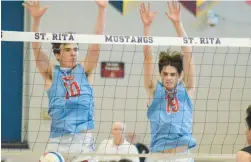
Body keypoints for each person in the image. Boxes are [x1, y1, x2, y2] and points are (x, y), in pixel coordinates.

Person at [22, 0, 108, 160]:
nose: (73, 53)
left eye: (75, 49)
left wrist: (102, 9)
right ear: (57, 54)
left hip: (83, 143)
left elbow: (97, 43)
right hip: (57, 143)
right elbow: (36, 49)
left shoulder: (86, 71)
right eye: (68, 49)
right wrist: (36, 21)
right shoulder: (51, 73)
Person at [139, 1, 196, 161]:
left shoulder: (187, 90)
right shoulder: (153, 90)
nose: (168, 77)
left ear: (180, 76)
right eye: (165, 74)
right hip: (158, 157)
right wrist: (147, 27)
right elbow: (148, 56)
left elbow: (188, 51)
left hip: (181, 157)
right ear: (160, 74)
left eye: (172, 74)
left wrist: (178, 24)